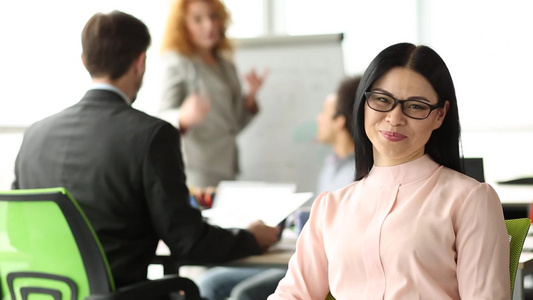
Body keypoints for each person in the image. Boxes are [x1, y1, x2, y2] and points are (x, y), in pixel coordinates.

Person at [11, 10, 280, 292]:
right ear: (140, 62)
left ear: (84, 61)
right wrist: (251, 238)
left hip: (43, 293)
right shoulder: (151, 135)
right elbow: (188, 241)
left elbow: (17, 233)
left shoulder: (35, 135)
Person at [268, 42, 510, 299]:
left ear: (440, 115)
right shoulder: (331, 207)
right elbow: (291, 294)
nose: (395, 118)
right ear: (363, 104)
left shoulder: (469, 200)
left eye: (415, 106)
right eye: (382, 100)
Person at [196, 76, 362, 300]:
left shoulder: (354, 174)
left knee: (243, 294)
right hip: (300, 256)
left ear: (339, 122)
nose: (318, 119)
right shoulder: (331, 166)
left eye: (324, 113)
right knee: (209, 281)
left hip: (321, 265)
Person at [159, 0, 268, 188]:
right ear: (183, 26)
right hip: (197, 170)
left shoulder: (227, 65)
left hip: (228, 166)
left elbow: (232, 125)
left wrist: (250, 99)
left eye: (213, 16)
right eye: (197, 19)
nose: (209, 25)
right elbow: (162, 118)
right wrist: (183, 117)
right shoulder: (178, 63)